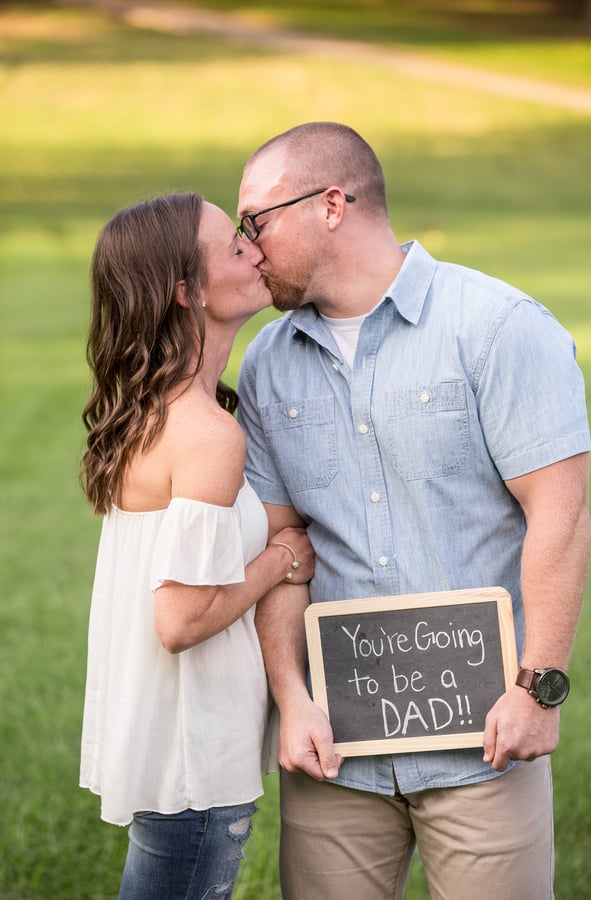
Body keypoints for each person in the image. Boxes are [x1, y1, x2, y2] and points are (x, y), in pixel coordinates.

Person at [235, 123, 591, 900]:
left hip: (485, 749)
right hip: (336, 755)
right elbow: (281, 547)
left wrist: (540, 688)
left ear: (332, 204)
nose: (247, 246)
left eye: (256, 220)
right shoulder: (265, 362)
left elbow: (559, 519)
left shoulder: (497, 328)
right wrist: (291, 699)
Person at [79, 192, 315, 900]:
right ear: (187, 290)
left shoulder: (157, 409)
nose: (257, 250)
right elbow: (179, 620)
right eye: (235, 246)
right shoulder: (206, 434)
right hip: (194, 754)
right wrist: (280, 560)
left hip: (165, 744)